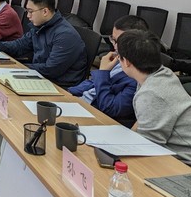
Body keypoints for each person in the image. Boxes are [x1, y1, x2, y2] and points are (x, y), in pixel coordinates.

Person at [0, 0, 87, 86]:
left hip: (59, 85)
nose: (28, 16)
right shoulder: (39, 26)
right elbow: (19, 45)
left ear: (45, 11)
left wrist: (19, 68)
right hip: (40, 77)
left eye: (31, 11)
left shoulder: (65, 35)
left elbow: (51, 69)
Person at [116, 29, 191, 164]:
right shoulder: (160, 73)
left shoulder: (151, 93)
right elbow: (142, 121)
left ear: (126, 62)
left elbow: (148, 147)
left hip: (182, 162)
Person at [68, 15, 149, 127]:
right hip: (81, 103)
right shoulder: (119, 58)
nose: (114, 45)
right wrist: (70, 93)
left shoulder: (137, 76)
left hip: (98, 117)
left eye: (118, 41)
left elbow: (110, 109)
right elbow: (92, 83)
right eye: (113, 39)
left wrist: (103, 72)